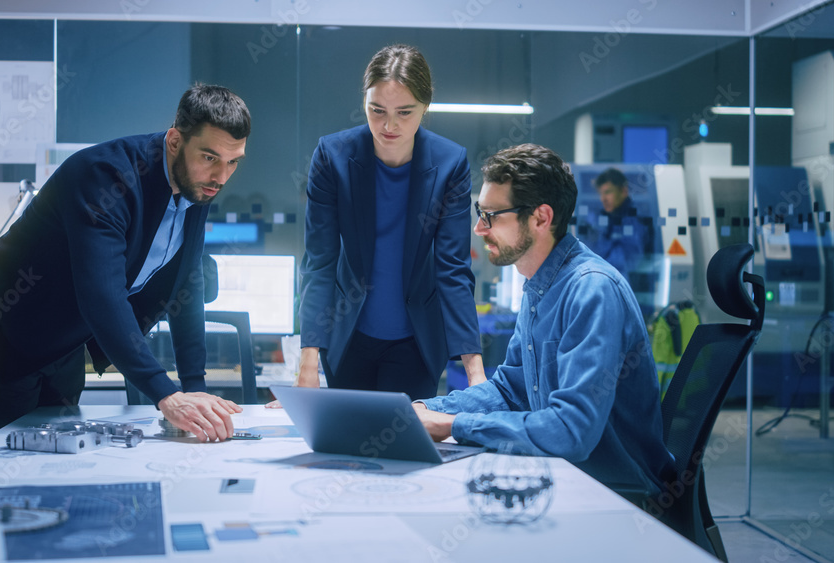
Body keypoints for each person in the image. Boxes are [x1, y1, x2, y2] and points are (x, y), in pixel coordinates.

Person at [0, 83, 249, 440]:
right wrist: (167, 395)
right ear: (175, 140)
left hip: (69, 332)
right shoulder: (105, 177)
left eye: (233, 162)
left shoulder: (196, 184)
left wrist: (194, 386)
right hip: (10, 320)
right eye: (210, 158)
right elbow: (104, 296)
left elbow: (187, 281)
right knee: (15, 451)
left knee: (62, 446)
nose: (221, 177)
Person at [414, 144, 674, 497]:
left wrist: (453, 424)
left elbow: (571, 430)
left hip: (615, 495)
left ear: (540, 218)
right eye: (480, 212)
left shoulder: (592, 291)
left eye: (491, 215)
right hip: (566, 478)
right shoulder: (539, 289)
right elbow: (509, 389)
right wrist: (425, 410)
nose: (478, 228)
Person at [285, 44, 485, 403]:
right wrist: (308, 360)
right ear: (364, 100)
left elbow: (452, 269)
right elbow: (320, 262)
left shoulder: (450, 163)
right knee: (343, 452)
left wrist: (475, 372)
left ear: (426, 107)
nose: (389, 125)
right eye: (376, 110)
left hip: (417, 342)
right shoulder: (333, 157)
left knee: (405, 450)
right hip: (348, 337)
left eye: (404, 112)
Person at [587, 167, 651, 280]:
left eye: (608, 192)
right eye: (601, 193)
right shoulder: (606, 218)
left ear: (623, 191)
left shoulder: (634, 220)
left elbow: (627, 261)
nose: (603, 199)